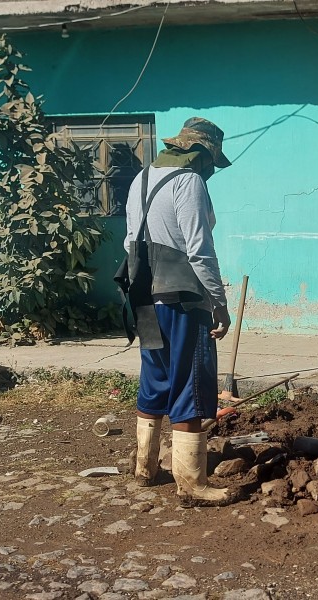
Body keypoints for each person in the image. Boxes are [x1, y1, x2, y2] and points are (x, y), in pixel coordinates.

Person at [123, 117, 234, 507]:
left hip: (144, 296)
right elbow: (199, 250)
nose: (210, 170)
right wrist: (218, 302)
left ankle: (145, 470)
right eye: (211, 162)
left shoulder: (141, 179)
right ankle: (191, 483)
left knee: (155, 376)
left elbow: (129, 241)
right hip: (183, 299)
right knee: (190, 380)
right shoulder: (190, 183)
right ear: (201, 154)